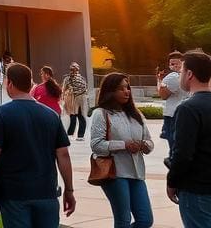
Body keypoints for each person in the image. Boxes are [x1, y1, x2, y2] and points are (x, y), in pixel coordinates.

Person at [0, 63, 76, 228]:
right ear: (30, 85)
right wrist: (69, 190)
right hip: (47, 192)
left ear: (10, 84)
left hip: (15, 194)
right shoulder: (51, 115)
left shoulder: (1, 114)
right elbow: (63, 154)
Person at [90, 72, 154, 228]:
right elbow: (96, 145)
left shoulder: (136, 114)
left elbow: (150, 142)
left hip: (137, 173)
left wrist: (144, 145)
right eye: (120, 88)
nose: (126, 91)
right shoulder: (101, 113)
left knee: (145, 220)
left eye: (127, 87)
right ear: (110, 91)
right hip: (115, 173)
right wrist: (124, 145)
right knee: (123, 220)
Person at [166, 49, 211, 228]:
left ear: (189, 74)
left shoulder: (188, 109)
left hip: (196, 189)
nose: (179, 76)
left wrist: (172, 181)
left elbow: (183, 154)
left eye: (181, 71)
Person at [157, 50, 185, 154]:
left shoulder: (173, 76)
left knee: (173, 146)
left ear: (183, 63)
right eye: (171, 64)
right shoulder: (188, 76)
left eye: (175, 63)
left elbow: (163, 95)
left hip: (172, 115)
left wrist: (160, 80)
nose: (173, 66)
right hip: (180, 113)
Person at [62, 62, 89, 140]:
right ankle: (79, 135)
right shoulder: (82, 78)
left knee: (74, 117)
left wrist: (63, 98)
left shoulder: (67, 78)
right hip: (79, 99)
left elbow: (64, 90)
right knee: (79, 117)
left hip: (74, 100)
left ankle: (72, 135)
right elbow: (85, 89)